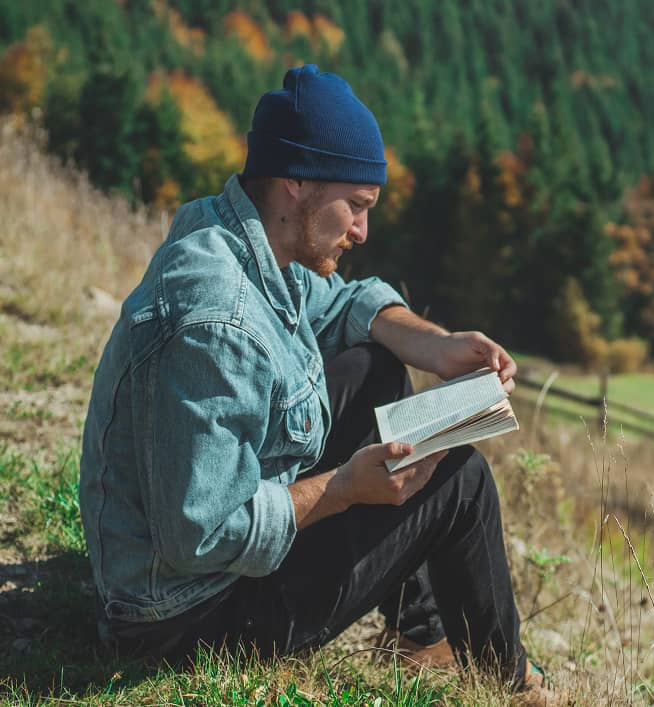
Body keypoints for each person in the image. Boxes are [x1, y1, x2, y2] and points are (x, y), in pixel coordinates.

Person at [79, 64, 564, 705]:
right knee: (461, 483)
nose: (362, 231)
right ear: (296, 182)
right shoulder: (219, 322)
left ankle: (417, 637)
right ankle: (506, 683)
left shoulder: (236, 235)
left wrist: (439, 346)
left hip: (180, 577)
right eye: (357, 207)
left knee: (375, 366)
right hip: (183, 620)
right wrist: (341, 489)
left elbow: (343, 305)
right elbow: (200, 536)